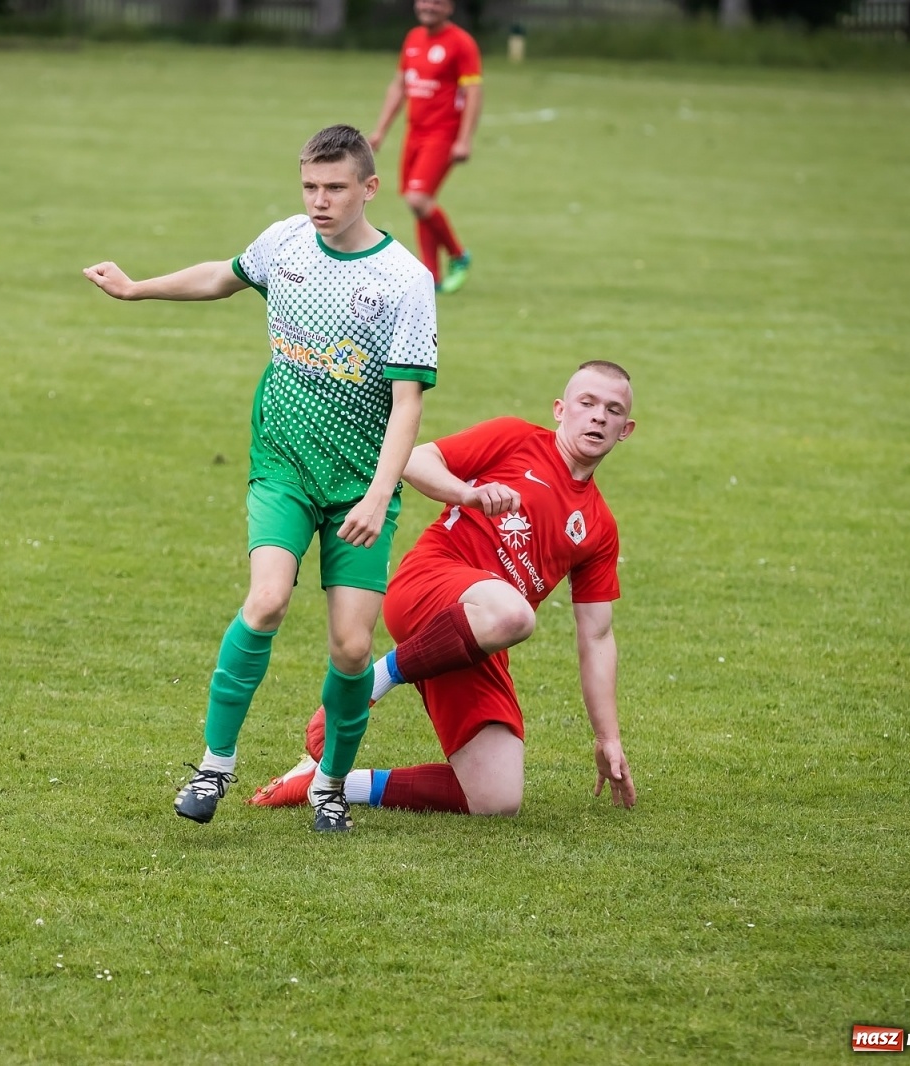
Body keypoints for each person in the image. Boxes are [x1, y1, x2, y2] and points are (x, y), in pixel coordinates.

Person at [82, 125, 438, 832]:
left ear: (369, 188)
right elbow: (224, 275)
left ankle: (329, 785)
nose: (319, 201)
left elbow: (408, 405)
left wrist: (377, 495)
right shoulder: (286, 243)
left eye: (335, 188)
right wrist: (136, 289)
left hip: (359, 484)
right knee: (267, 600)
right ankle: (214, 766)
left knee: (352, 647)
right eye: (310, 186)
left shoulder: (405, 280)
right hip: (283, 465)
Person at [250, 361, 638, 816]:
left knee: (496, 798)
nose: (598, 417)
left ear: (625, 430)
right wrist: (466, 494)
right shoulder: (516, 438)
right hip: (429, 583)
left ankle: (329, 783)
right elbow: (415, 460)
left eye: (613, 410)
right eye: (587, 403)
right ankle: (367, 686)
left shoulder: (599, 526)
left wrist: (608, 737)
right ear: (560, 409)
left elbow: (596, 635)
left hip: (474, 639)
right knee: (515, 614)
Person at [367, 0, 482, 296]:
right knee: (419, 203)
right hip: (414, 134)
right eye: (425, 1)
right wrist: (380, 130)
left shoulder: (461, 43)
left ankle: (458, 255)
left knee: (418, 199)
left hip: (442, 135)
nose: (429, 6)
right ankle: (432, 276)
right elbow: (400, 85)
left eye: (437, 2)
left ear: (450, 7)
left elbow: (473, 92)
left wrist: (464, 139)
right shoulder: (413, 38)